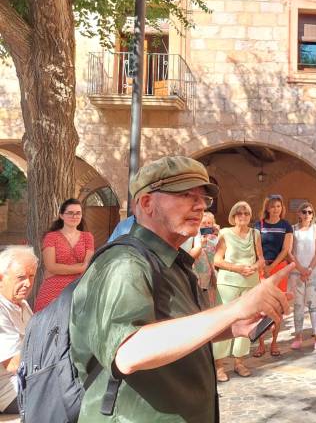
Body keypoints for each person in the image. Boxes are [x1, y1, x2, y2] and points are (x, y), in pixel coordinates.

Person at [70, 156, 293, 421]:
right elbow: (130, 351)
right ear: (146, 203)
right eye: (186, 195)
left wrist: (234, 326)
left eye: (203, 198)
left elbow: (177, 330)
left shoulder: (172, 262)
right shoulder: (124, 264)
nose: (200, 205)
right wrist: (235, 307)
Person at [212, 201, 263, 381]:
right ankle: (219, 366)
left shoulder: (255, 233)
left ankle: (239, 362)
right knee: (226, 322)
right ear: (233, 216)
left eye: (246, 214)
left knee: (247, 322)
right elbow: (217, 260)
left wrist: (255, 267)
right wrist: (237, 269)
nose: (243, 216)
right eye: (239, 214)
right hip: (228, 283)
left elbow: (261, 259)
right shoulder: (225, 233)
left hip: (250, 282)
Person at [36, 198, 95, 311]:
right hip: (53, 289)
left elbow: (87, 267)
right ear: (61, 215)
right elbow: (51, 266)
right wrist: (80, 267)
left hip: (79, 289)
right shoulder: (51, 237)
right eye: (70, 213)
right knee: (46, 324)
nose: (74, 216)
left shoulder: (88, 237)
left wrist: (60, 269)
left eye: (78, 213)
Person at [253, 194, 294, 357]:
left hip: (279, 268)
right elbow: (257, 247)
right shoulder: (258, 225)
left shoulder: (286, 226)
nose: (276, 209)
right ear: (267, 208)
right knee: (261, 306)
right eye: (273, 206)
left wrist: (273, 267)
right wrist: (264, 264)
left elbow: (286, 250)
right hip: (262, 268)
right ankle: (261, 344)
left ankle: (274, 342)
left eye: (278, 206)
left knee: (277, 306)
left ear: (282, 208)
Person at [0, 246, 36, 415]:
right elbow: (13, 364)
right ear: (1, 278)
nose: (28, 283)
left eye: (31, 276)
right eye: (21, 277)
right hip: (8, 392)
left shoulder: (21, 304)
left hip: (28, 381)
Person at [289, 202, 316, 351]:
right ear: (299, 213)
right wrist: (301, 269)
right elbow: (290, 252)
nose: (307, 214)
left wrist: (308, 269)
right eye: (304, 212)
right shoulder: (293, 229)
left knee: (313, 304)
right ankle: (298, 336)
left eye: (310, 212)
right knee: (298, 305)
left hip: (313, 272)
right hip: (297, 272)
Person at [182, 211, 219, 306]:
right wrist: (200, 245)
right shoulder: (194, 236)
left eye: (209, 223)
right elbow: (189, 255)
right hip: (197, 275)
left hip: (212, 276)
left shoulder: (215, 238)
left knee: (211, 303)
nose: (206, 225)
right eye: (203, 223)